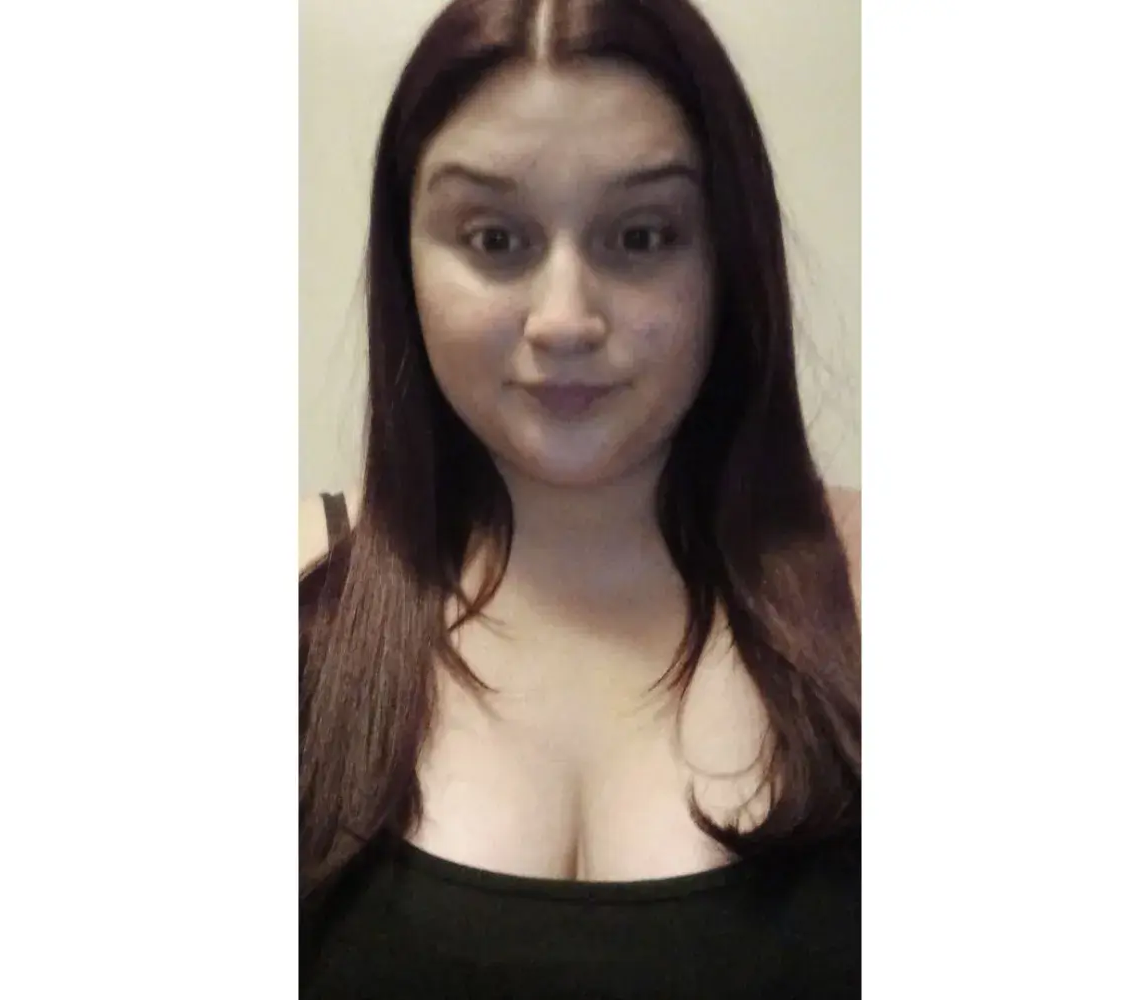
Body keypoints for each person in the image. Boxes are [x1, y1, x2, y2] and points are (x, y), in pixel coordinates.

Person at [298, 0, 861, 994]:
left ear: (726, 256)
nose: (564, 319)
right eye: (493, 238)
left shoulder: (873, 591)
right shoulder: (296, 594)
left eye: (640, 236)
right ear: (405, 257)